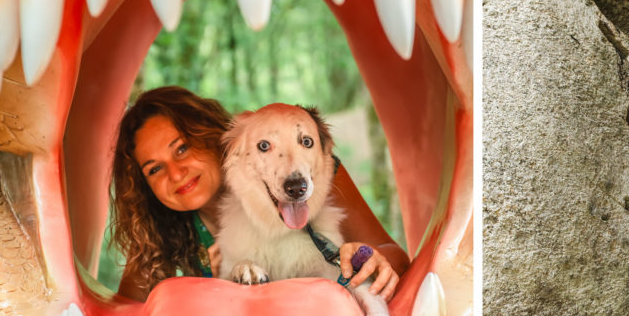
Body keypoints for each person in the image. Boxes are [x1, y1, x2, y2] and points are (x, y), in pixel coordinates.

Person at [110, 86, 407, 302]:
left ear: (213, 137)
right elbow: (123, 314)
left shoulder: (302, 175)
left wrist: (374, 261)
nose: (175, 173)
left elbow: (395, 255)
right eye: (154, 169)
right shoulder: (158, 227)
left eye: (182, 148)